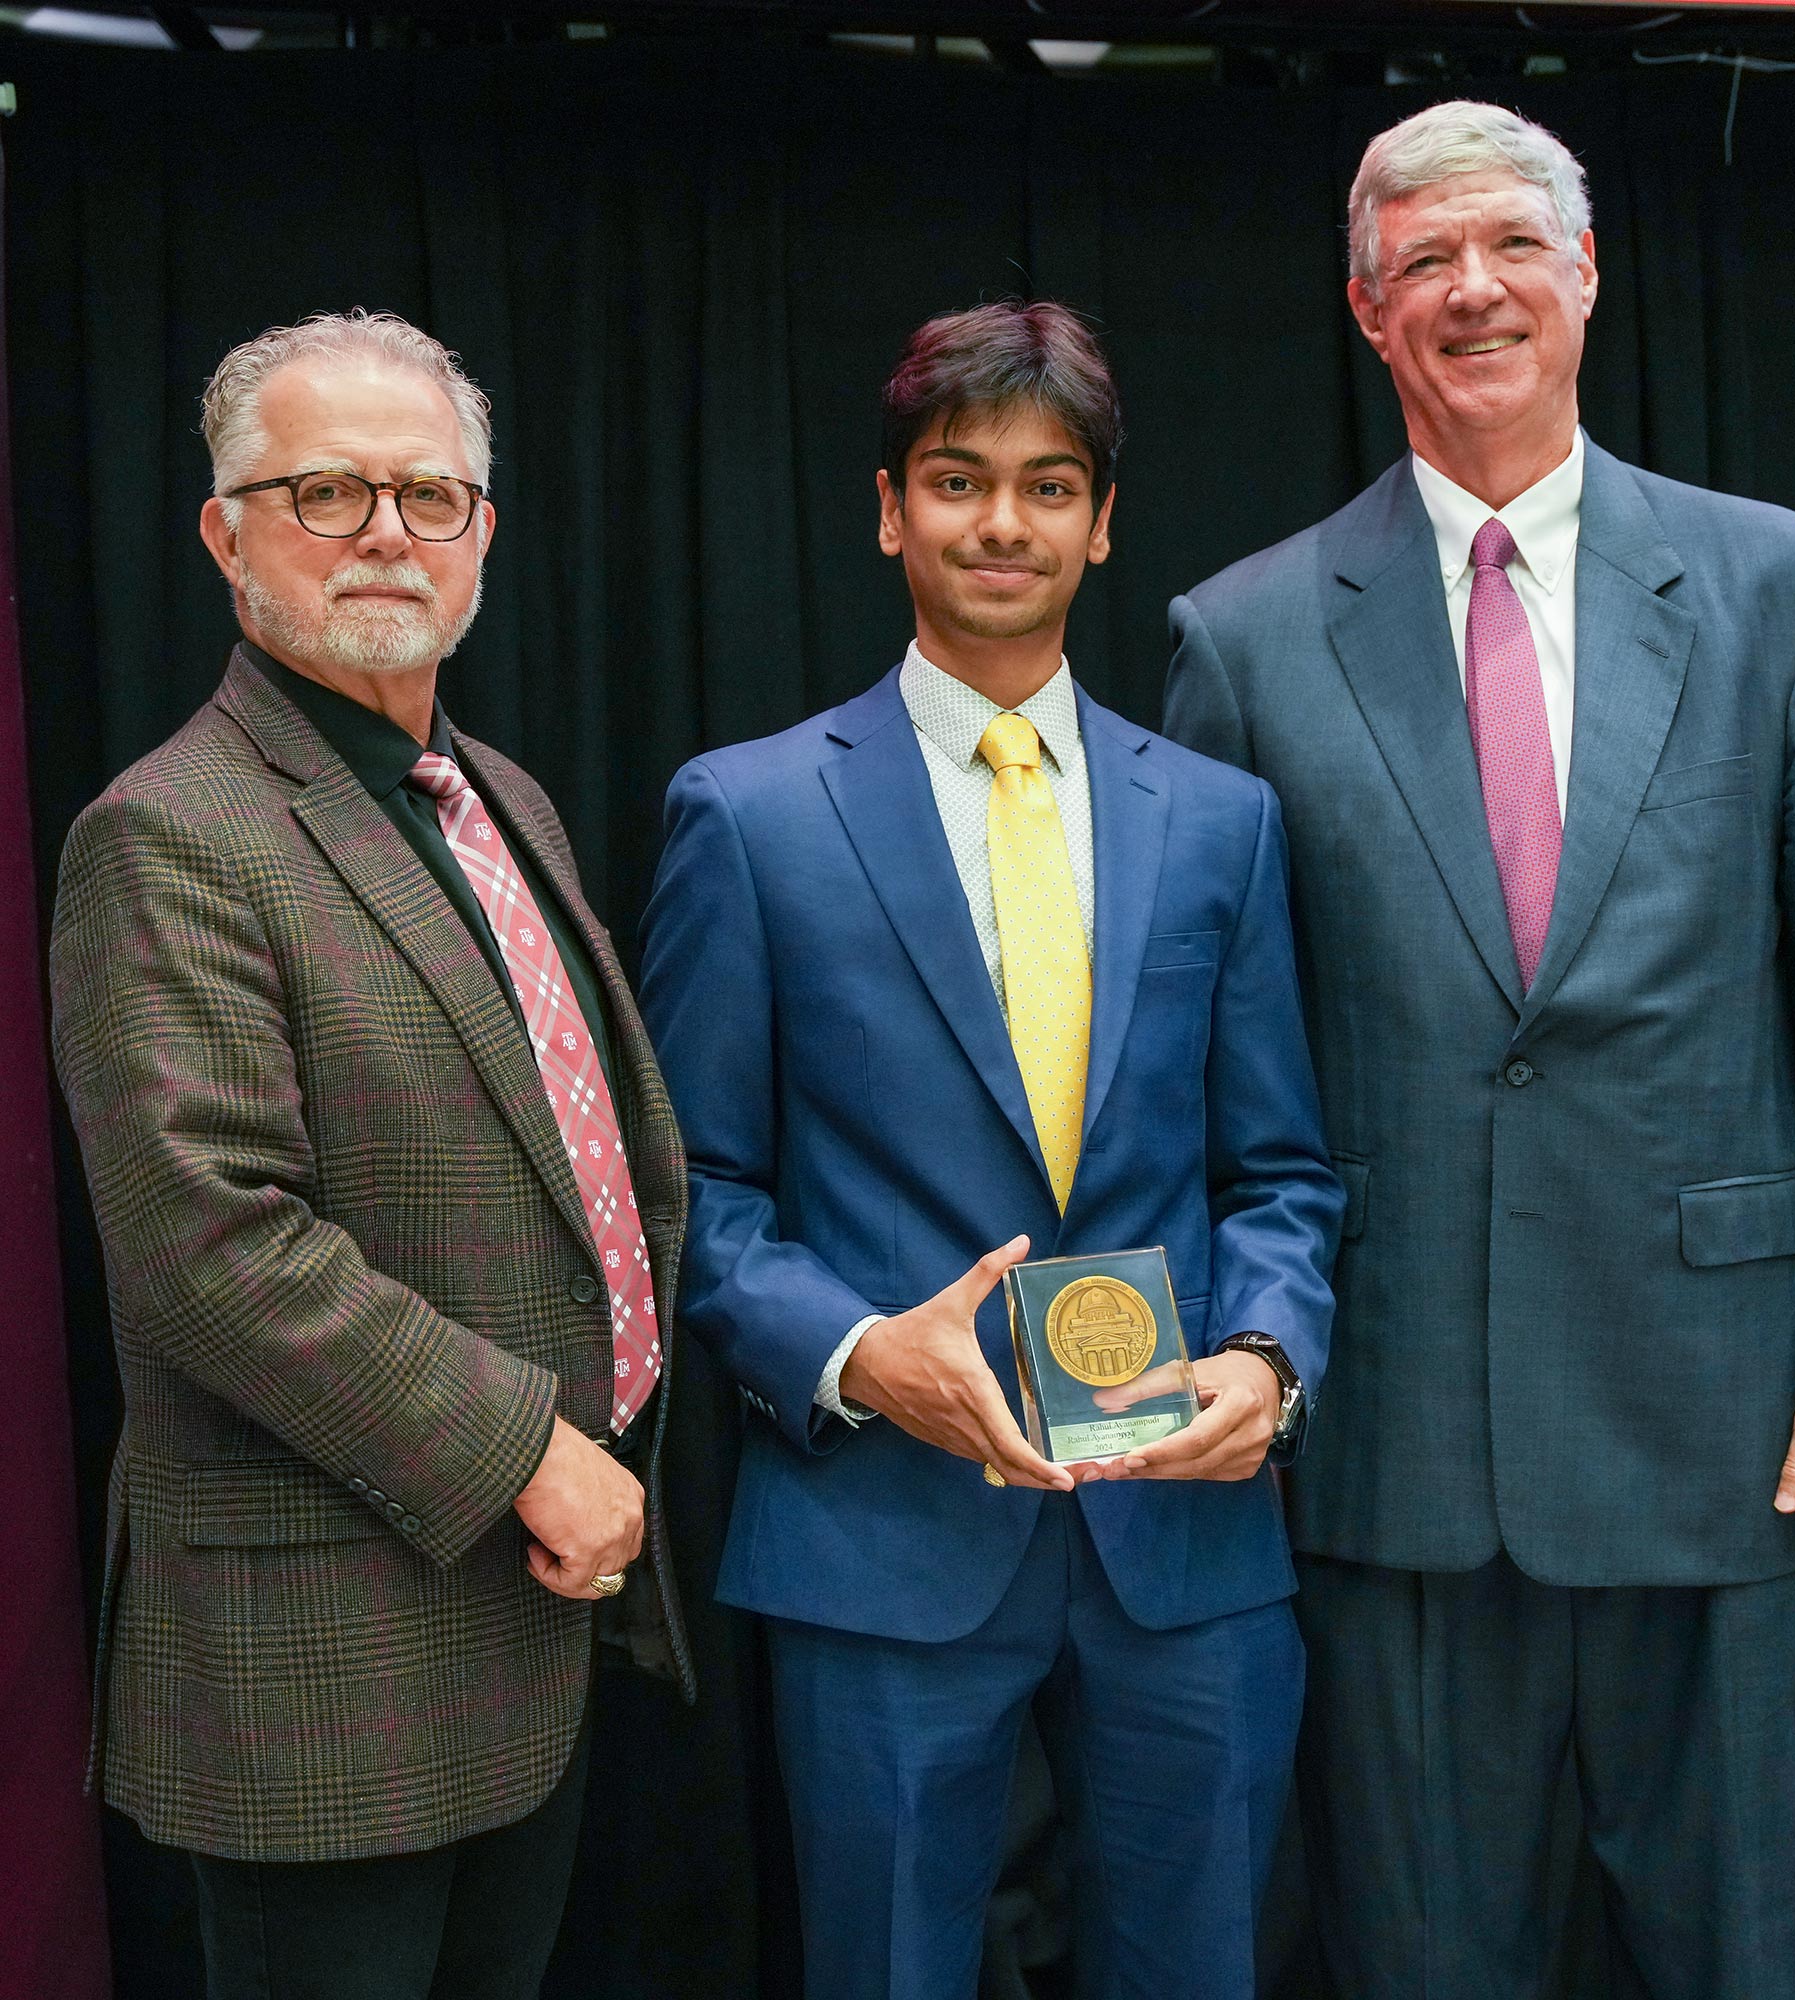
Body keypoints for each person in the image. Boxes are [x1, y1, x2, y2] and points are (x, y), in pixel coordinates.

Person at [1165, 100, 1795, 1999]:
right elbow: (1215, 1065)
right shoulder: (1246, 634)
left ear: (1588, 277)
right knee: (1420, 1954)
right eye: (1424, 260)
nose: (1475, 289)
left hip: (1734, 1412)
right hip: (1397, 1429)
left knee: (1742, 1950)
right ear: (1367, 313)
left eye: (1514, 244)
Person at [640, 300, 1341, 2000]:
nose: (1003, 524)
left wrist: (1267, 1356)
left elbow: (1280, 1174)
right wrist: (866, 1355)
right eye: (959, 482)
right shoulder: (749, 814)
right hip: (881, 1533)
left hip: (1181, 1542)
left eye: (1048, 486)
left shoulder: (1221, 821)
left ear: (1104, 524)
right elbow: (696, 1198)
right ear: (891, 510)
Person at [49, 310, 692, 2000]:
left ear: (486, 529)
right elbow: (213, 1246)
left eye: (429, 494)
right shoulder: (169, 832)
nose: (387, 533)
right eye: (324, 492)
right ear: (224, 532)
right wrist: (532, 1452)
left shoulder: (501, 803)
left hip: (521, 1625)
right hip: (321, 1668)